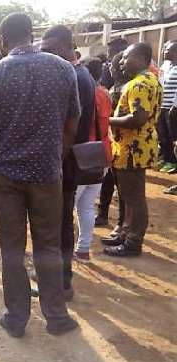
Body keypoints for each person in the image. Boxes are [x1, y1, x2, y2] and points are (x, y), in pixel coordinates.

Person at [0, 13, 80, 337]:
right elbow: (72, 122)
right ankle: (56, 316)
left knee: (12, 249)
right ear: (31, 35)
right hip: (46, 175)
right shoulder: (63, 69)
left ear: (2, 41)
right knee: (48, 245)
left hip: (6, 178)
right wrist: (59, 152)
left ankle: (16, 317)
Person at [41, 25, 96, 300]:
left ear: (67, 47)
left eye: (50, 50)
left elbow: (69, 127)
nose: (46, 55)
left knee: (59, 224)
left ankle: (61, 283)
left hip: (65, 162)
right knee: (58, 223)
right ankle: (57, 277)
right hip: (65, 161)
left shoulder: (75, 77)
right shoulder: (77, 74)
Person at [102, 43, 163, 257]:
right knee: (129, 196)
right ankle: (126, 234)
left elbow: (137, 119)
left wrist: (105, 120)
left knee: (134, 198)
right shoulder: (151, 80)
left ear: (142, 58)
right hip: (136, 147)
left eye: (126, 57)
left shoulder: (138, 84)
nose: (121, 61)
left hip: (133, 150)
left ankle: (133, 242)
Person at [74, 57, 113, 263]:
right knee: (87, 207)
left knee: (66, 209)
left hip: (81, 155)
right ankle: (83, 249)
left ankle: (63, 253)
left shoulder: (83, 95)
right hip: (101, 154)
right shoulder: (106, 94)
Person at [96, 52, 129, 230]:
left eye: (114, 66)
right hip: (113, 142)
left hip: (124, 144)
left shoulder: (127, 88)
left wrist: (105, 121)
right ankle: (102, 214)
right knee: (108, 181)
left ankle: (122, 223)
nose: (112, 69)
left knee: (122, 187)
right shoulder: (114, 89)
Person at [157, 40, 177, 174]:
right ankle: (165, 157)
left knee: (172, 136)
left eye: (167, 50)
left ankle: (172, 161)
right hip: (163, 106)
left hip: (173, 109)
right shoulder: (166, 66)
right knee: (163, 134)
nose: (164, 52)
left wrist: (174, 106)